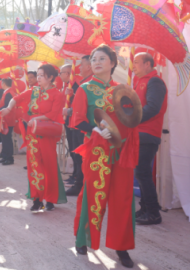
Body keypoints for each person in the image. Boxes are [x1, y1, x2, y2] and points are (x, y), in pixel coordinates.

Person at [71, 45, 139, 268]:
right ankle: (83, 238)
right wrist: (94, 128)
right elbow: (77, 119)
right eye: (93, 59)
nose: (96, 62)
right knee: (92, 195)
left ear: (112, 63)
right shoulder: (85, 89)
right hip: (97, 151)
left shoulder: (123, 89)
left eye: (101, 58)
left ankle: (122, 247)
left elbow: (131, 118)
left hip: (121, 151)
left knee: (123, 199)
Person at [1, 64, 67, 212]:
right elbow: (16, 98)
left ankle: (50, 198)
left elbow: (53, 114)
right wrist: (8, 108)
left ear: (50, 77)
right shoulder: (33, 91)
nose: (38, 78)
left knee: (49, 166)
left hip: (47, 134)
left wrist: (36, 118)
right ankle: (37, 199)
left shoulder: (58, 94)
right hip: (33, 134)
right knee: (34, 166)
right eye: (37, 75)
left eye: (41, 75)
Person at [132, 52, 167, 225]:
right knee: (141, 172)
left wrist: (131, 118)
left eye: (137, 62)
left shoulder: (155, 81)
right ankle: (145, 208)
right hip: (138, 132)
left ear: (147, 64)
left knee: (142, 173)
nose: (133, 65)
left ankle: (154, 212)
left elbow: (153, 107)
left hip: (148, 132)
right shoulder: (138, 81)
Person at [66, 55, 92, 196]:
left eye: (81, 64)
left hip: (84, 127)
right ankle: (78, 183)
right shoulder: (82, 83)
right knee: (77, 156)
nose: (79, 68)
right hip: (76, 125)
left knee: (82, 158)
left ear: (88, 67)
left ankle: (81, 185)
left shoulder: (91, 84)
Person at [0, 78, 16, 166]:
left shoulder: (9, 92)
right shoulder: (8, 91)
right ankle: (5, 156)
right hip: (6, 118)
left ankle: (9, 158)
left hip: (8, 118)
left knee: (7, 138)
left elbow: (7, 106)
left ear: (3, 83)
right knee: (4, 137)